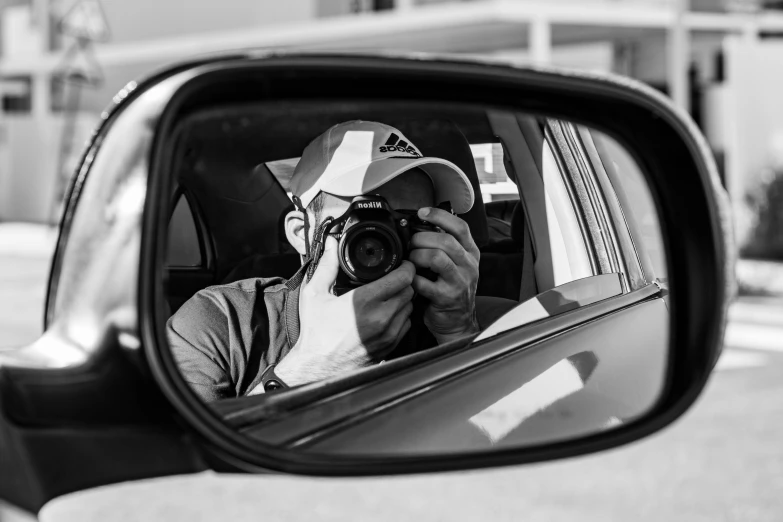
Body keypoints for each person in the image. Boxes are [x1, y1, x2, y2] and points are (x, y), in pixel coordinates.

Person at [167, 120, 482, 402]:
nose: (382, 242)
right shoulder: (221, 325)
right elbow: (184, 457)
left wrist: (457, 331)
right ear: (301, 232)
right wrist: (311, 366)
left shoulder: (448, 314)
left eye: (405, 221)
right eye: (360, 222)